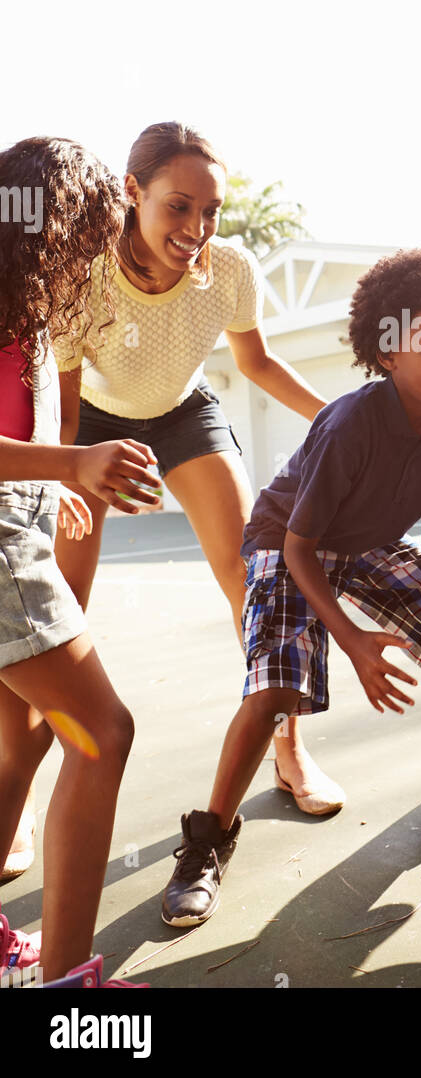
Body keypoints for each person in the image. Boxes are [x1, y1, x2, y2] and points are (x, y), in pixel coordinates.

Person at [160, 248, 421, 928]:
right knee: (275, 691)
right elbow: (299, 547)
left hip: (369, 544)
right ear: (386, 349)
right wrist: (351, 640)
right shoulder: (349, 422)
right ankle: (206, 842)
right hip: (287, 545)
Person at [49, 122, 344, 809]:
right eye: (178, 206)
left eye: (211, 211)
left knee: (252, 574)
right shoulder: (83, 274)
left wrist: (339, 418)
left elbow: (257, 363)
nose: (197, 227)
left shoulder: (230, 269)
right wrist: (64, 475)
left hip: (184, 413)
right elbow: (63, 411)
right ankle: (25, 782)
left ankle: (290, 752)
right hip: (91, 424)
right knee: (64, 598)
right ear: (132, 192)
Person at [0, 136, 160, 985]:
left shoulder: (25, 304)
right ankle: (66, 993)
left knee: (18, 742)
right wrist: (71, 465)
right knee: (100, 733)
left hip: (14, 520)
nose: (102, 248)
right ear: (51, 222)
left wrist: (41, 484)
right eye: (94, 228)